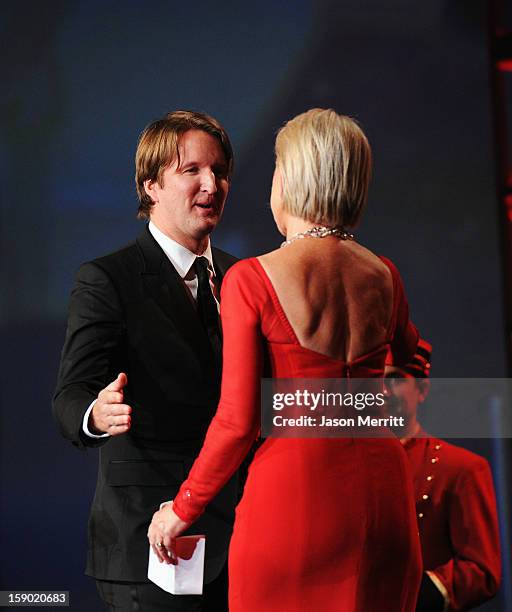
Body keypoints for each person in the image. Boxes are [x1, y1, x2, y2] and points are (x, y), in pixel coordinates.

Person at [148, 108, 423, 611]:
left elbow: (237, 422)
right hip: (387, 502)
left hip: (297, 504)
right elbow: (414, 365)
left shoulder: (251, 279)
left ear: (291, 178)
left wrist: (181, 509)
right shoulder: (385, 275)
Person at [52, 110, 239, 612]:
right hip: (149, 544)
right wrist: (96, 414)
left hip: (242, 539)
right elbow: (70, 396)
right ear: (151, 184)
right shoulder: (108, 280)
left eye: (219, 171)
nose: (212, 184)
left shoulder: (244, 279)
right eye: (192, 170)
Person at [384, 340, 501, 611]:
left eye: (394, 380)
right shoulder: (352, 466)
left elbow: (483, 570)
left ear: (422, 390)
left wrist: (419, 592)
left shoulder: (461, 468)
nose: (382, 392)